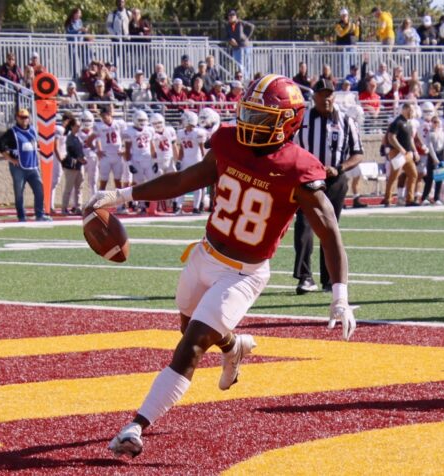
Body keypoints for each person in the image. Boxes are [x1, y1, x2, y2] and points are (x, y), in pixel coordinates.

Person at [88, 75, 356, 459]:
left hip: (243, 274)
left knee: (191, 346)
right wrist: (123, 194)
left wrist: (340, 295)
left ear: (287, 124)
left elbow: (330, 231)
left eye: (262, 118)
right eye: (249, 113)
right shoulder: (228, 142)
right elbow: (185, 179)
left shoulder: (298, 169)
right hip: (203, 255)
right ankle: (234, 347)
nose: (251, 124)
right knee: (189, 328)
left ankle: (136, 426)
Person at [293, 78, 363, 293]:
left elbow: (358, 153)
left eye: (330, 94)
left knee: (330, 227)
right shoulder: (301, 119)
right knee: (304, 226)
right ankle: (304, 277)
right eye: (322, 94)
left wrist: (340, 168)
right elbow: (287, 145)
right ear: (314, 97)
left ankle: (328, 279)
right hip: (307, 179)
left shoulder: (345, 120)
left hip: (334, 179)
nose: (327, 98)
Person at [0, 109, 52, 222]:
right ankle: (21, 216)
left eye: (26, 117)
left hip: (33, 166)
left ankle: (39, 214)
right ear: (17, 118)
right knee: (19, 192)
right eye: (21, 117)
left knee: (39, 190)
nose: (24, 119)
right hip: (18, 168)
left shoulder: (33, 130)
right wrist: (10, 159)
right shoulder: (12, 132)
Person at [383, 102, 418, 206]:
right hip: (397, 153)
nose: (412, 112)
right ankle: (387, 199)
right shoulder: (397, 122)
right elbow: (391, 137)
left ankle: (409, 199)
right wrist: (400, 148)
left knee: (413, 174)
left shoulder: (409, 123)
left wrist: (415, 151)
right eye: (410, 110)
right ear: (404, 109)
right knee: (394, 176)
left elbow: (410, 139)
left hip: (407, 154)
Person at [86, 105, 125, 193]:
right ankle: (99, 203)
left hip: (117, 156)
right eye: (102, 117)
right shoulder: (99, 126)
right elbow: (89, 141)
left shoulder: (119, 123)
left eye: (104, 116)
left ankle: (120, 204)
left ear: (109, 114)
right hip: (106, 157)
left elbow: (127, 138)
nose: (103, 118)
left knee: (118, 181)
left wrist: (124, 148)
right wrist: (97, 151)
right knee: (103, 182)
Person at [175, 110, 207, 213]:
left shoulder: (199, 132)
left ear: (189, 120)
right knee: (182, 184)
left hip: (196, 161)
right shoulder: (180, 133)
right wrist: (179, 161)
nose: (182, 121)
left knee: (197, 185)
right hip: (185, 161)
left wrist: (204, 162)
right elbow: (181, 150)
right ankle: (179, 206)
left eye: (184, 119)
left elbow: (202, 150)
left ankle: (196, 207)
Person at [60, 118, 86, 215]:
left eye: (79, 126)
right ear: (72, 126)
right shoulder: (69, 138)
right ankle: (64, 208)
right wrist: (79, 158)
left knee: (79, 188)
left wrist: (83, 158)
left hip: (79, 166)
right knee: (69, 188)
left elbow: (80, 151)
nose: (78, 128)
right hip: (71, 166)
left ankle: (78, 207)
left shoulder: (77, 137)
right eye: (77, 126)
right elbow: (71, 151)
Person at [224, 10, 255, 78]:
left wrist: (246, 37)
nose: (231, 17)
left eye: (233, 15)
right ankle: (241, 77)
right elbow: (226, 37)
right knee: (239, 64)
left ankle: (247, 77)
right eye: (230, 16)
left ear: (236, 16)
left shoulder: (240, 23)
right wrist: (230, 40)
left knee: (247, 63)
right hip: (236, 48)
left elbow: (252, 26)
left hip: (245, 46)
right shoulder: (228, 26)